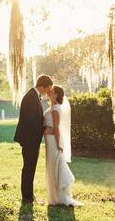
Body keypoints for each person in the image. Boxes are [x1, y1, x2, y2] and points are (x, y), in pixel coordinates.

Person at [13, 74, 54, 203]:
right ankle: (27, 197)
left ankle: (29, 196)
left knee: (30, 167)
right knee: (29, 167)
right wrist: (44, 129)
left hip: (31, 139)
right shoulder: (31, 97)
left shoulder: (34, 96)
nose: (49, 91)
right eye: (48, 88)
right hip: (29, 139)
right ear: (44, 86)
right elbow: (31, 120)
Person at [43, 85, 80, 206]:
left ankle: (59, 198)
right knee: (52, 166)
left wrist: (58, 143)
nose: (49, 91)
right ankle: (54, 197)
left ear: (56, 94)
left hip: (53, 141)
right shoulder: (53, 107)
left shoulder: (55, 108)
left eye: (51, 90)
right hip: (50, 140)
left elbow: (56, 127)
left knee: (54, 166)